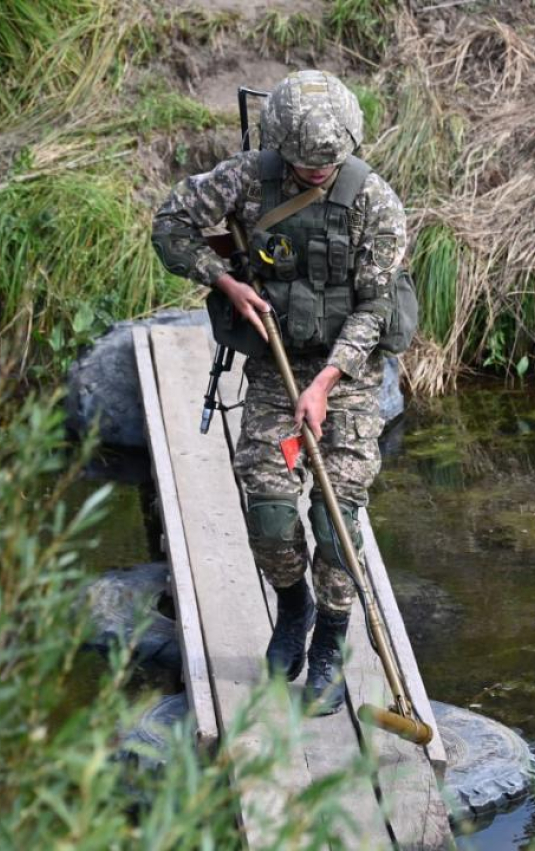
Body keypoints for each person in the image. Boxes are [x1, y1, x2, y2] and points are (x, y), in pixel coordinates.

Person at [151, 70, 407, 716]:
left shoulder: (375, 202)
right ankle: (292, 607)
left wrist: (326, 383)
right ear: (282, 146)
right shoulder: (246, 178)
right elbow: (171, 225)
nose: (317, 172)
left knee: (336, 518)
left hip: (344, 374)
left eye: (329, 162)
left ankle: (330, 640)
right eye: (304, 163)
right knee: (269, 510)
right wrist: (225, 283)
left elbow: (377, 309)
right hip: (274, 366)